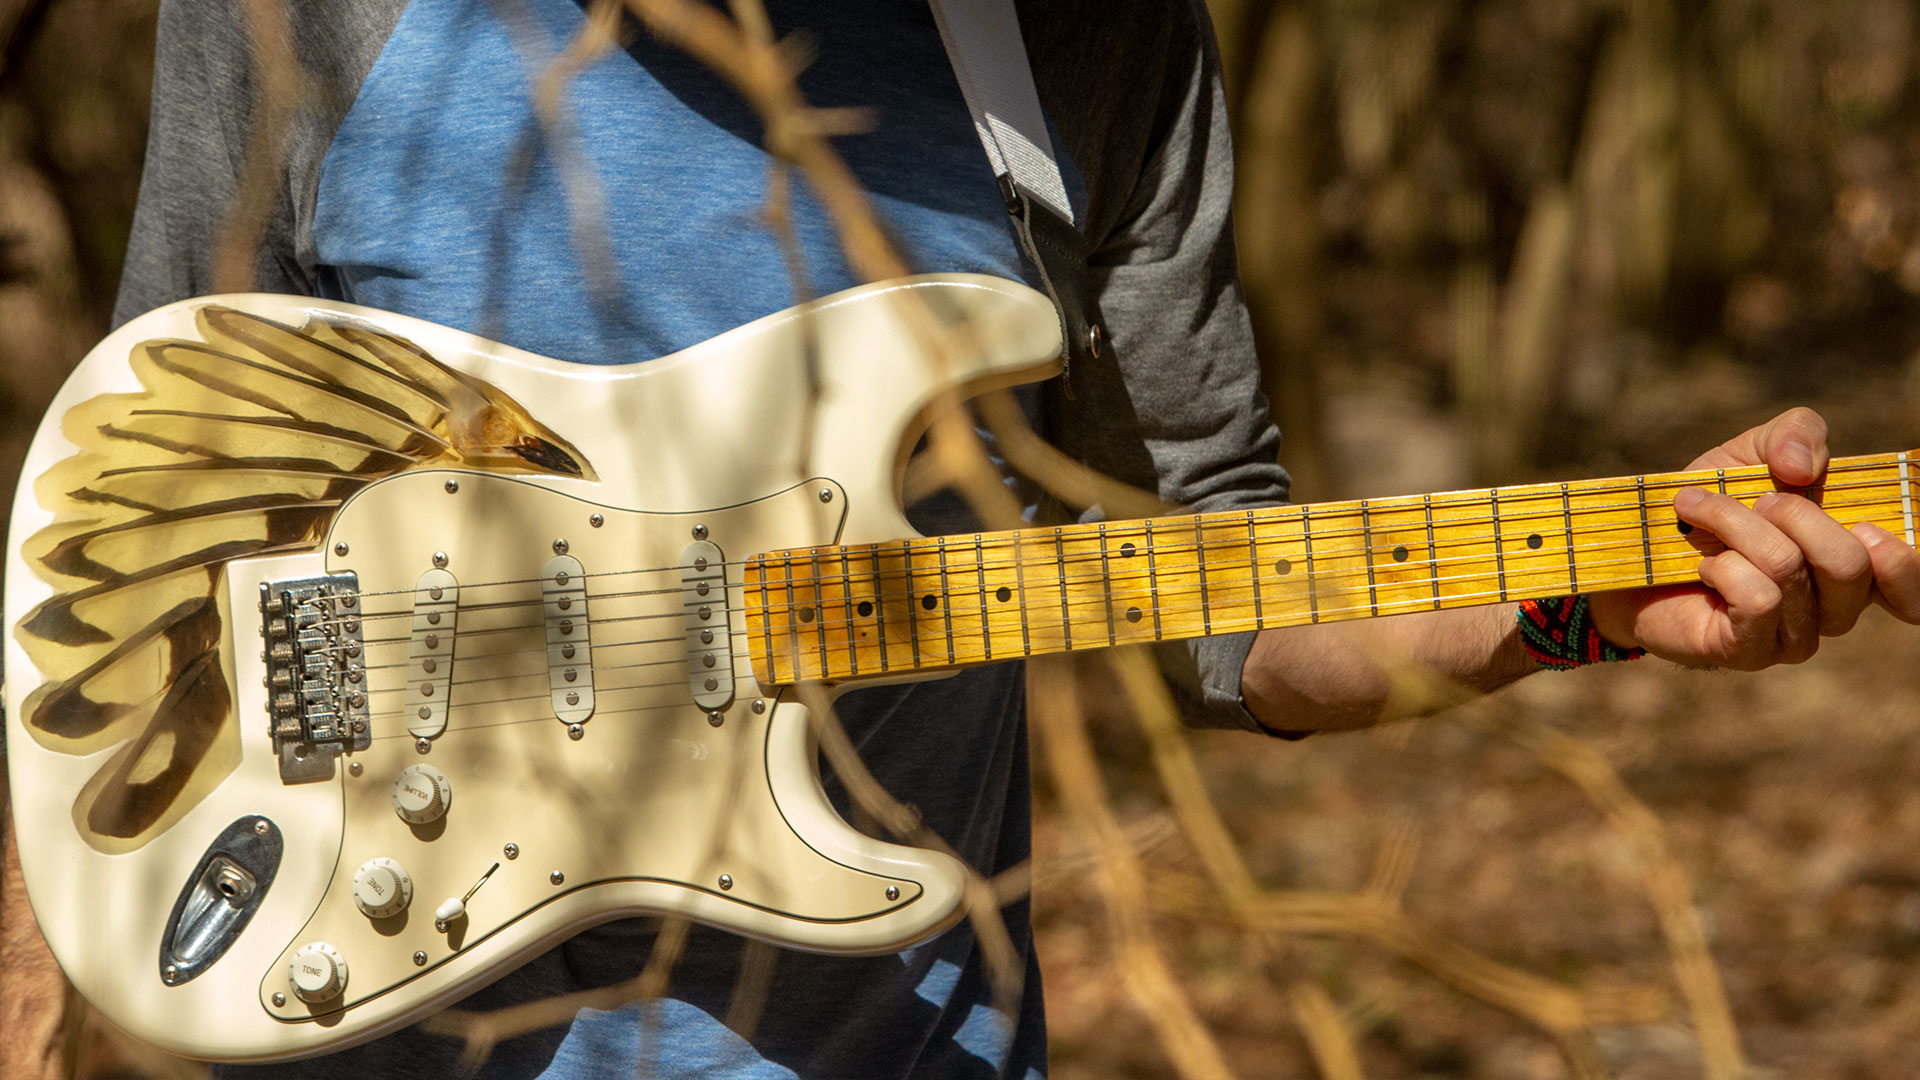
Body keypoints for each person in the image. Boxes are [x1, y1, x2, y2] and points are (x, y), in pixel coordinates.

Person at [6, 1, 1917, 1077]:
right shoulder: (314, 17)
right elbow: (117, 521)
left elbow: (1219, 589)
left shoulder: (1076, 47)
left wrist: (1562, 607)